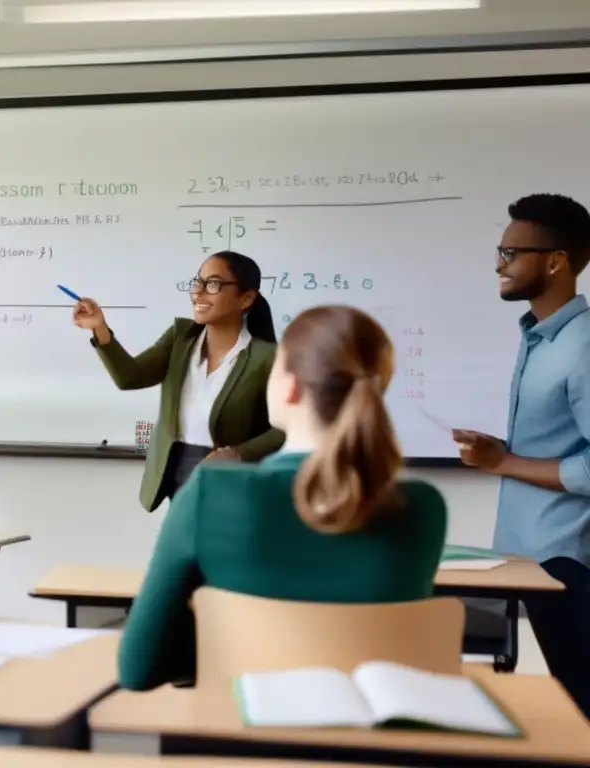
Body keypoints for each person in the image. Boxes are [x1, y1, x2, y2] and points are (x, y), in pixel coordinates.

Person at [117, 305, 447, 690]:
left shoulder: (211, 493)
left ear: (288, 386)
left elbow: (139, 669)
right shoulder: (422, 506)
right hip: (374, 740)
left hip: (238, 734)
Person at [452, 193, 590, 718]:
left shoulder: (583, 345)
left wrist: (503, 463)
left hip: (566, 558)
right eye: (499, 250)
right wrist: (501, 452)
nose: (498, 264)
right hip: (530, 553)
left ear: (555, 261)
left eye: (511, 253)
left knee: (579, 703)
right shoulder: (539, 336)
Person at [73, 251, 285, 512]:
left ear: (246, 298)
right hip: (176, 467)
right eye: (198, 282)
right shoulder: (180, 338)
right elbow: (129, 377)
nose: (199, 293)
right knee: (180, 550)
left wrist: (239, 453)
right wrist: (99, 327)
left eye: (213, 284)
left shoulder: (267, 357)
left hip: (232, 478)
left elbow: (286, 428)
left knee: (219, 550)